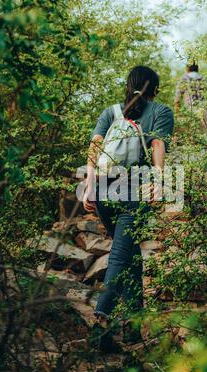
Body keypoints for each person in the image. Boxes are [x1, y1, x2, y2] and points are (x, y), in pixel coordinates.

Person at [83, 65, 174, 351]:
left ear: (127, 85)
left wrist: (88, 186)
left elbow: (95, 147)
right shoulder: (161, 111)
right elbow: (157, 144)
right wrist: (159, 181)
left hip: (103, 189)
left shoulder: (110, 112)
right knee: (122, 256)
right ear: (155, 89)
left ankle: (134, 325)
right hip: (135, 189)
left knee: (129, 251)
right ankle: (101, 321)